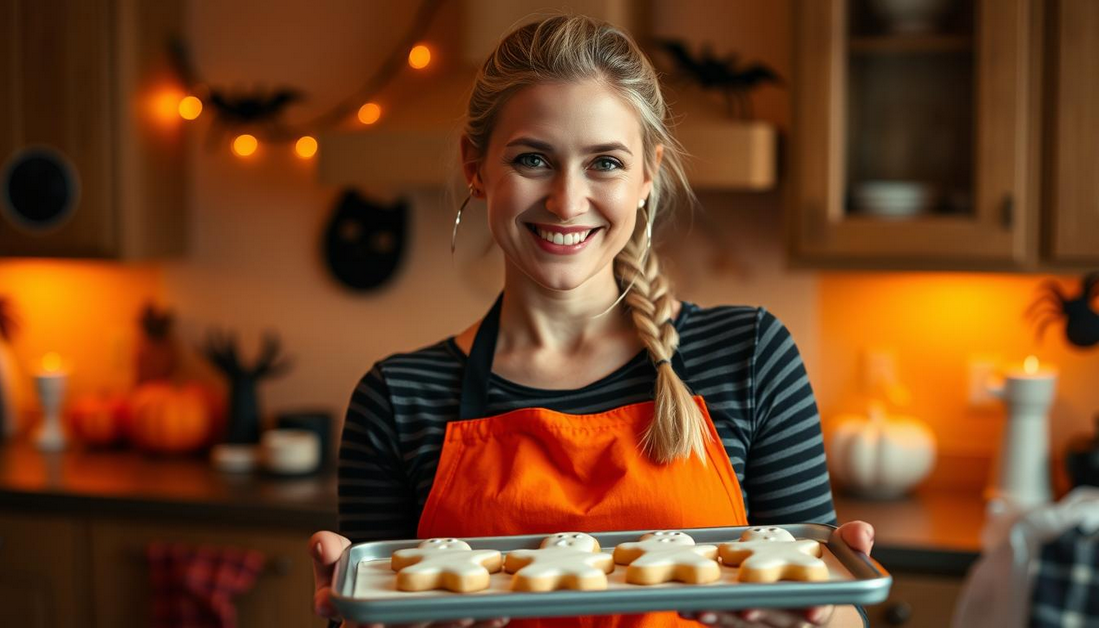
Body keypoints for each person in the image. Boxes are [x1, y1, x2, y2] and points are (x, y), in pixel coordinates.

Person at [311, 14, 875, 628]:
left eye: (604, 162)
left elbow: (835, 607)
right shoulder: (396, 398)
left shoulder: (751, 355)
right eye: (532, 159)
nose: (567, 201)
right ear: (476, 166)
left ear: (647, 175)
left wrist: (822, 618)